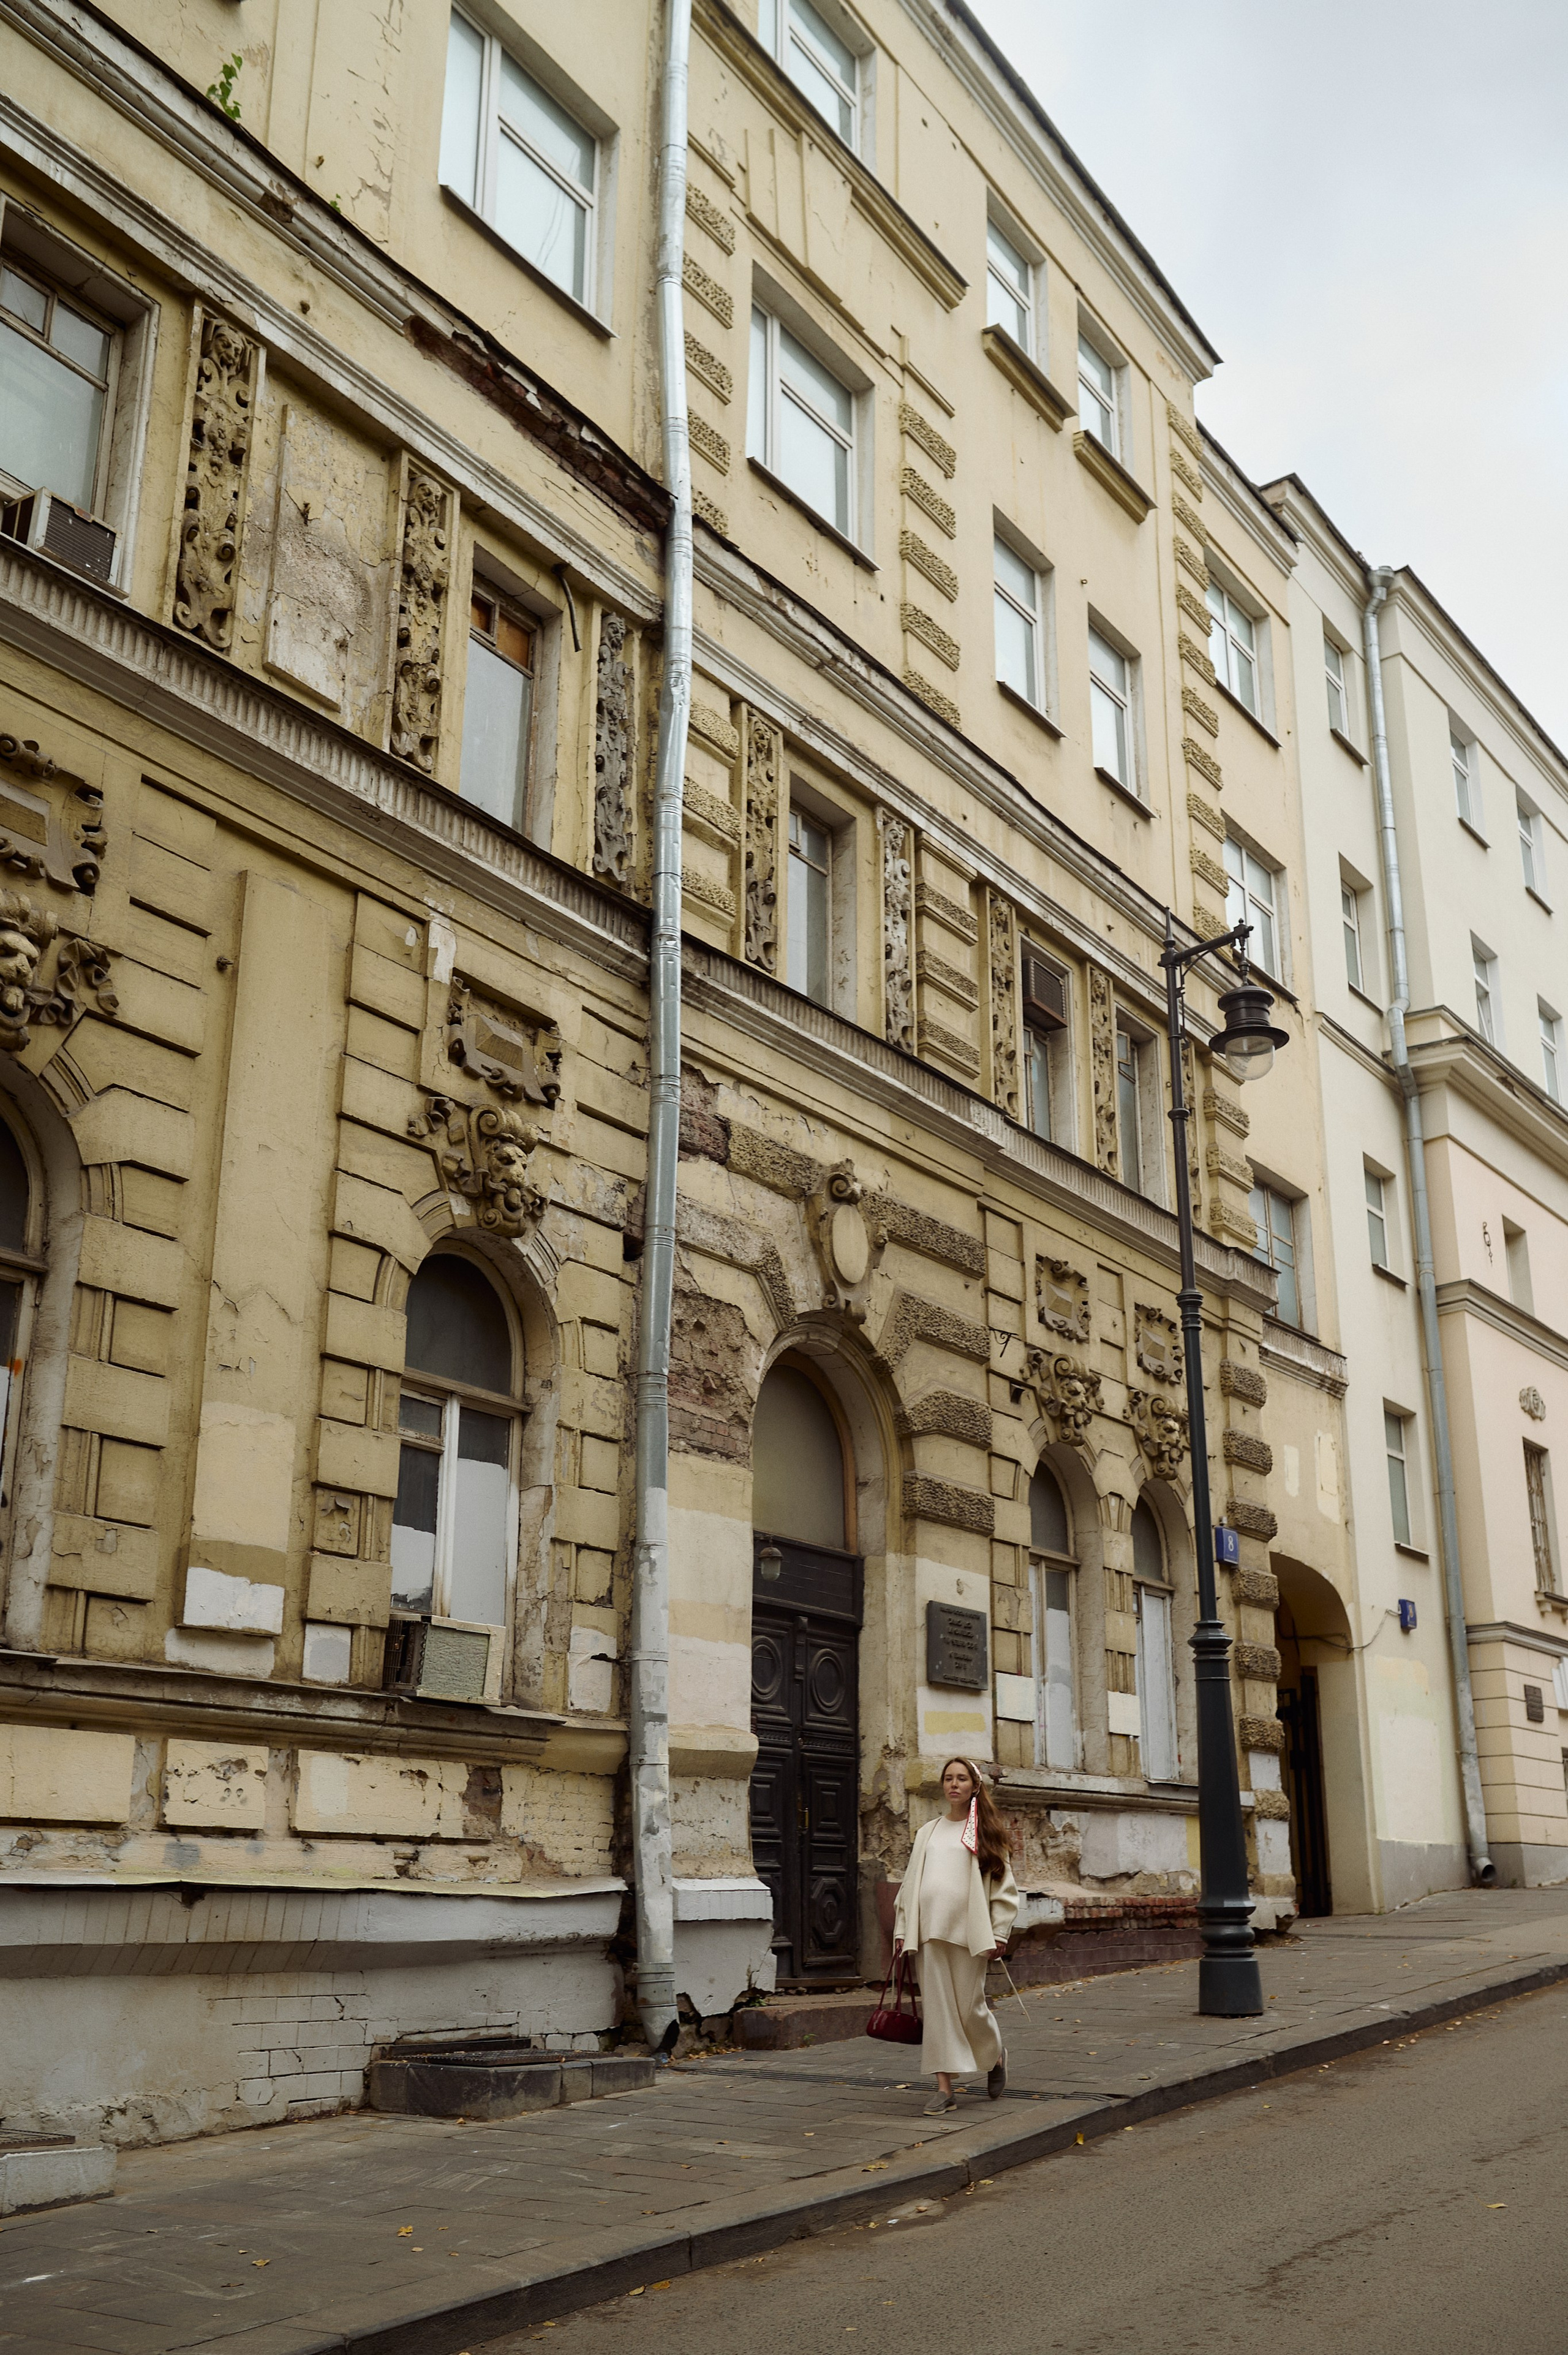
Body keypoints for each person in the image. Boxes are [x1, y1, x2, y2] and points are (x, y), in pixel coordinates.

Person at [892, 1756, 1019, 2114]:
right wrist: (904, 1929)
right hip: (929, 1933)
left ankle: (995, 2057)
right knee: (939, 2013)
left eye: (962, 1779)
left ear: (974, 1786)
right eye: (948, 1778)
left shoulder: (983, 1832)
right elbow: (910, 1884)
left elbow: (1004, 1888)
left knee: (970, 2009)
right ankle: (945, 2089)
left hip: (969, 1934)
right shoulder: (928, 1831)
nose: (954, 1785)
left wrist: (999, 1932)